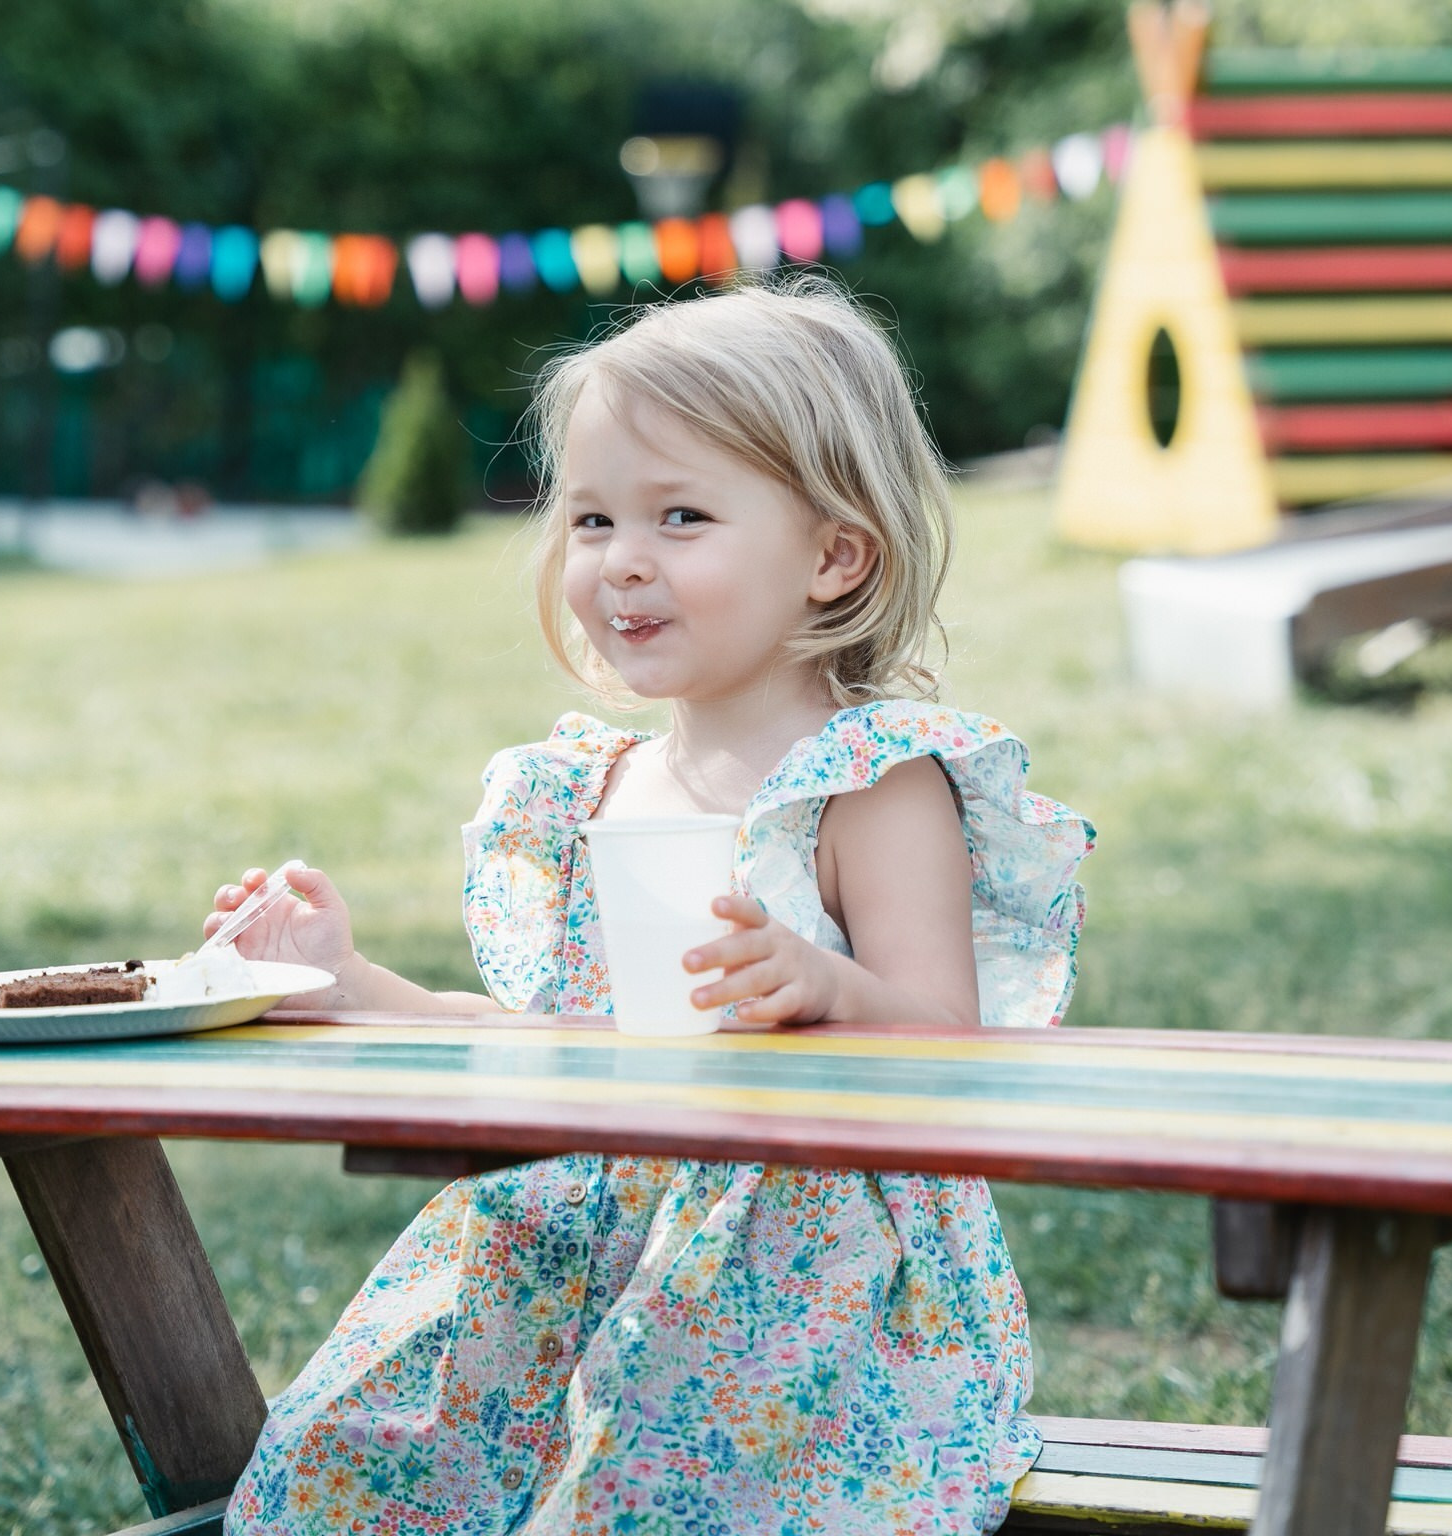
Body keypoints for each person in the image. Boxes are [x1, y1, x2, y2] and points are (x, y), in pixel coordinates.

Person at [213, 274, 1094, 1535]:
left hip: (792, 1299)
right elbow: (550, 1040)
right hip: (558, 1267)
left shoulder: (870, 786)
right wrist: (343, 985)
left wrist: (829, 986)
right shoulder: (592, 787)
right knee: (347, 1460)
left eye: (681, 516)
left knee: (650, 1492)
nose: (622, 560)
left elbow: (954, 1054)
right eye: (592, 519)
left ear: (834, 556)